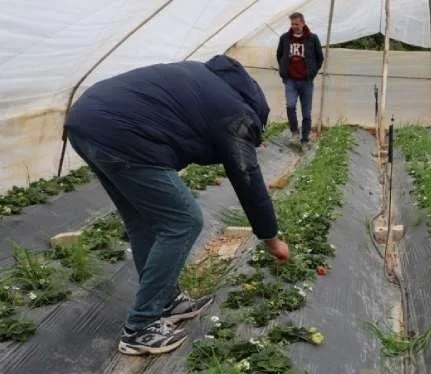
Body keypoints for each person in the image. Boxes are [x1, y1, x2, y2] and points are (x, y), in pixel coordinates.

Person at [64, 55, 290, 356]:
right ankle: (140, 327)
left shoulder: (206, 81)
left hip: (86, 123)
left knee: (144, 221)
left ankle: (167, 301)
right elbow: (248, 179)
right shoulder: (236, 115)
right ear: (255, 115)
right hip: (122, 135)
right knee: (184, 220)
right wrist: (271, 238)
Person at [276, 12, 324, 149]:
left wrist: (312, 72)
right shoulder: (285, 38)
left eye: (296, 24)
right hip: (290, 80)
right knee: (290, 106)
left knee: (306, 112)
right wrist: (284, 72)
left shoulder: (312, 38)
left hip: (306, 81)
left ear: (303, 23)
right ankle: (294, 132)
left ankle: (305, 139)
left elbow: (320, 58)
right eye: (292, 24)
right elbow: (279, 55)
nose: (294, 26)